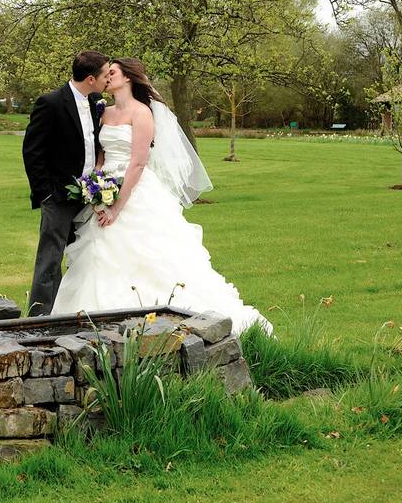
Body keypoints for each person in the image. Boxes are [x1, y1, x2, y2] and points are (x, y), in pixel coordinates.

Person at [50, 58, 272, 336]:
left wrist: (117, 206)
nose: (107, 77)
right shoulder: (104, 112)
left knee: (150, 258)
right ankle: (92, 327)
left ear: (128, 78)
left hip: (134, 193)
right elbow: (101, 156)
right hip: (104, 191)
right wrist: (93, 189)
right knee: (99, 256)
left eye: (113, 72)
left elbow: (138, 163)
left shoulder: (142, 113)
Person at [22, 51, 110, 316]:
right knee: (49, 259)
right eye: (106, 74)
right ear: (92, 78)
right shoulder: (50, 103)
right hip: (58, 197)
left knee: (83, 255)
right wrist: (46, 194)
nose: (109, 78)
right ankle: (38, 318)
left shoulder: (97, 102)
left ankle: (68, 310)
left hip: (89, 196)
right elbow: (32, 152)